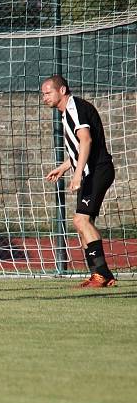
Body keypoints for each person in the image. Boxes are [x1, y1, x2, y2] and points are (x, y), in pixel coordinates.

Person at [42, 75, 116, 287]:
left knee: (80, 221)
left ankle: (102, 274)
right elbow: (79, 147)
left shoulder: (75, 108)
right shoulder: (68, 112)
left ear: (62, 90)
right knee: (82, 223)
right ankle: (98, 274)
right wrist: (65, 167)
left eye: (48, 92)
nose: (44, 97)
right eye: (43, 94)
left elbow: (86, 140)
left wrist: (77, 173)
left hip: (97, 170)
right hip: (91, 171)